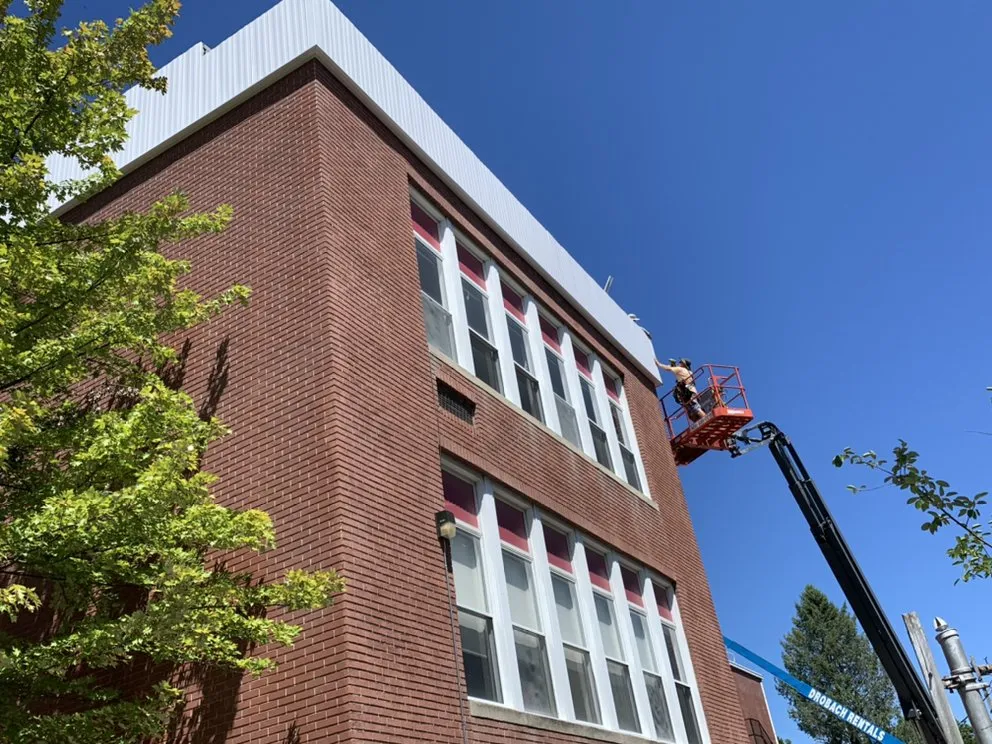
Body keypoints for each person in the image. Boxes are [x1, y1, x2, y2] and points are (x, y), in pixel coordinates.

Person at [656, 357, 705, 422]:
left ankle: (706, 418)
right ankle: (700, 421)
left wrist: (658, 364)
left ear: (684, 364)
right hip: (690, 391)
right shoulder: (689, 371)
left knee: (695, 408)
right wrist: (674, 366)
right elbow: (679, 373)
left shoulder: (680, 369)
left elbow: (668, 368)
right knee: (692, 411)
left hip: (688, 392)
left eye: (681, 362)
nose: (679, 363)